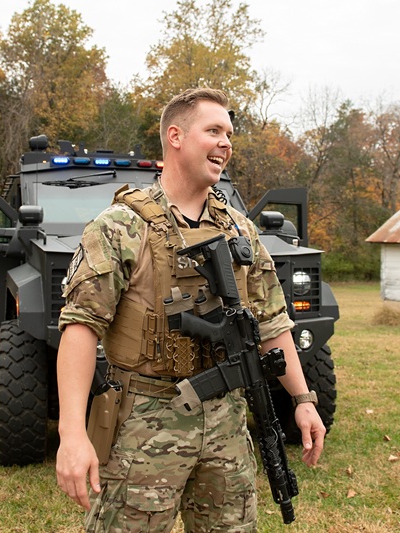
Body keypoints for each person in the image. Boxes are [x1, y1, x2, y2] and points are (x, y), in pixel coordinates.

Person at [55, 87, 325, 532]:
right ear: (175, 136)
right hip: (144, 422)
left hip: (227, 424)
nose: (226, 143)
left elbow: (274, 320)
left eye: (230, 134)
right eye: (214, 131)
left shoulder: (240, 229)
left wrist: (303, 399)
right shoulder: (121, 226)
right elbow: (80, 328)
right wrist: (71, 433)